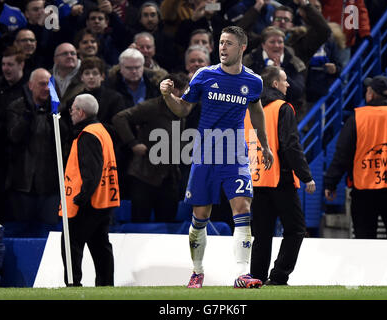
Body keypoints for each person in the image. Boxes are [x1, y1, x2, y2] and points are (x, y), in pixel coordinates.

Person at [160, 25, 274, 289]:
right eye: (221, 43)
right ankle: (197, 272)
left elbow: (256, 111)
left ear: (242, 47)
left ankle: (242, 274)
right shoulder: (204, 75)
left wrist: (264, 145)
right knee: (200, 217)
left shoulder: (253, 81)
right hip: (205, 154)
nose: (223, 47)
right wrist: (168, 96)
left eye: (229, 43)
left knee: (243, 210)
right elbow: (183, 110)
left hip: (235, 154)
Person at [244, 65, 315, 285]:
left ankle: (256, 277)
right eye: (284, 80)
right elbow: (290, 145)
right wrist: (306, 176)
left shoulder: (249, 110)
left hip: (256, 179)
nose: (288, 84)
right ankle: (279, 275)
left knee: (262, 234)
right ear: (275, 84)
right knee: (295, 230)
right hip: (280, 177)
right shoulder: (282, 108)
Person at [324, 75, 387, 240]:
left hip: (364, 189)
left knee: (364, 241)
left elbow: (343, 154)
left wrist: (331, 183)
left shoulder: (357, 117)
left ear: (371, 94)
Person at [60, 93, 120, 287]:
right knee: (100, 245)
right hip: (104, 200)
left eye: (72, 109)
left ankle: (73, 284)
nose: (70, 113)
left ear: (80, 112)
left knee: (71, 244)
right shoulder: (101, 130)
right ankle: (105, 285)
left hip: (89, 202)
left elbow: (92, 171)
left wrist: (81, 197)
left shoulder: (87, 135)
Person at [112, 72, 189, 222]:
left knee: (168, 223)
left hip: (169, 174)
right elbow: (119, 118)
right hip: (144, 174)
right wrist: (133, 143)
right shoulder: (151, 106)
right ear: (175, 91)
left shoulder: (183, 109)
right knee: (140, 222)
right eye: (186, 91)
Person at [5, 68, 61, 237]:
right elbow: (14, 136)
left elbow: (64, 138)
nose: (46, 88)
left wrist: (54, 114)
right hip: (23, 183)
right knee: (21, 231)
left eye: (49, 85)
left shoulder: (58, 109)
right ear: (30, 85)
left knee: (49, 231)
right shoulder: (17, 107)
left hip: (51, 184)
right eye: (42, 84)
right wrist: (28, 114)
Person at [243, 26, 306, 113]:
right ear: (263, 45)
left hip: (287, 113)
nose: (276, 45)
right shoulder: (249, 61)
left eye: (280, 42)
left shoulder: (294, 62)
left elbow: (297, 92)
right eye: (272, 42)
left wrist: (281, 73)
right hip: (255, 112)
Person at [0, 46, 28, 223]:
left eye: (10, 64)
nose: (6, 68)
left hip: (20, 154)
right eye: (3, 64)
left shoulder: (28, 88)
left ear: (21, 64)